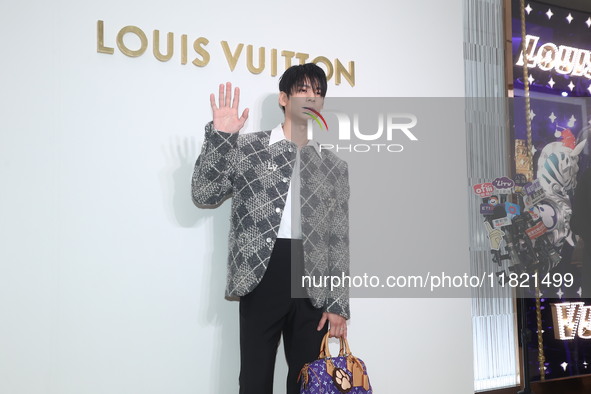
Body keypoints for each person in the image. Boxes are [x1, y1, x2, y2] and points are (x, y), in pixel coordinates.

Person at [191, 63, 351, 394]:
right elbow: (205, 193)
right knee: (255, 378)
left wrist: (338, 303)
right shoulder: (248, 148)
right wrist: (221, 138)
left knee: (308, 379)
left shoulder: (333, 165)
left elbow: (339, 238)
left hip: (314, 278)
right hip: (262, 272)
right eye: (303, 90)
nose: (312, 98)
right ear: (283, 98)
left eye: (318, 93)